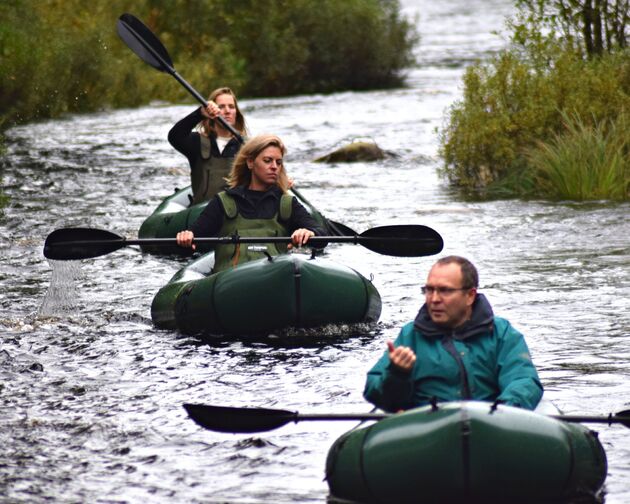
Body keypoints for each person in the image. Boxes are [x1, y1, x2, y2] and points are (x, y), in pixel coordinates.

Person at [364, 256, 543, 412]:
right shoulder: (411, 336)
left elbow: (523, 381)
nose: (434, 299)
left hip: (489, 427)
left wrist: (502, 414)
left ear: (470, 296)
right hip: (426, 434)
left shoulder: (501, 334)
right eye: (429, 290)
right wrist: (397, 374)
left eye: (445, 290)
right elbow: (375, 390)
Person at [176, 134, 326, 272]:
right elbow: (191, 241)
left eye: (278, 162)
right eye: (267, 161)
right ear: (250, 163)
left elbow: (321, 237)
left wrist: (310, 232)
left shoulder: (286, 203)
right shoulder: (224, 202)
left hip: (273, 279)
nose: (274, 166)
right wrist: (186, 238)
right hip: (230, 282)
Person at [168, 87, 247, 205]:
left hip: (237, 212)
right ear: (212, 112)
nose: (227, 111)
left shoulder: (247, 147)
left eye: (231, 106)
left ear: (236, 112)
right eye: (221, 107)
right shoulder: (197, 143)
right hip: (202, 213)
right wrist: (200, 113)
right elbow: (175, 136)